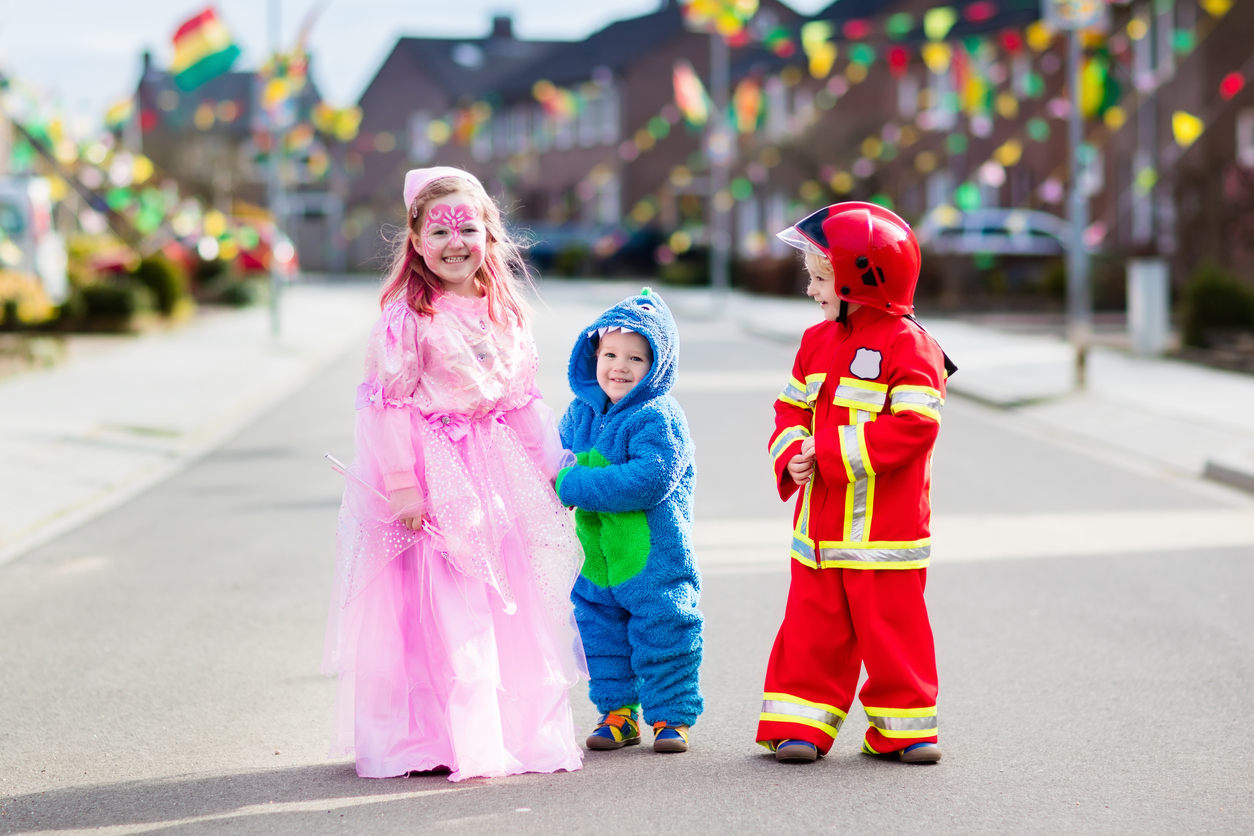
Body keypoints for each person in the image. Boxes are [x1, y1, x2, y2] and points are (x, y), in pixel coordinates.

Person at [322, 166, 585, 782]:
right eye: (438, 231)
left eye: (468, 227)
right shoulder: (407, 315)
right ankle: (433, 736)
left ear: (489, 235)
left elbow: (520, 399)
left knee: (502, 600)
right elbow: (387, 403)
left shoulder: (504, 310)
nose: (454, 242)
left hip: (496, 472)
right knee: (444, 604)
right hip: (434, 469)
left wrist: (551, 470)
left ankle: (506, 732)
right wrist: (404, 486)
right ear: (414, 241)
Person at [756, 202, 954, 765]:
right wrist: (793, 453)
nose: (812, 291)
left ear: (864, 281)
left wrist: (829, 452)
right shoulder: (815, 342)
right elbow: (787, 410)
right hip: (817, 531)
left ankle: (906, 730)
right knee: (811, 631)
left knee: (893, 631)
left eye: (821, 278)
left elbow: (918, 424)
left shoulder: (911, 345)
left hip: (883, 532)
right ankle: (800, 726)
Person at [555, 289, 703, 754]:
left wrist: (569, 485)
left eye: (636, 358)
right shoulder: (580, 413)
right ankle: (617, 713)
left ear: (656, 365)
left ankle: (670, 716)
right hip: (594, 557)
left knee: (664, 629)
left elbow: (648, 479)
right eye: (611, 354)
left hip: (654, 557)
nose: (620, 367)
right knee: (600, 636)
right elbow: (553, 459)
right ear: (593, 354)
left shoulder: (657, 416)